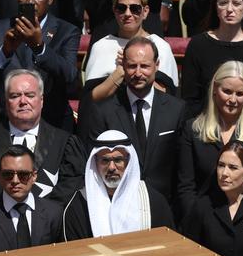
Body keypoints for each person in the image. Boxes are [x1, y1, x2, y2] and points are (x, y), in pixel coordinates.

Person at [79, 37, 185, 211]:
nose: (138, 73)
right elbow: (94, 168)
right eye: (131, 66)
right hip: (117, 207)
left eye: (144, 66)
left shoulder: (177, 109)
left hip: (165, 207)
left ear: (156, 65)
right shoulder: (104, 111)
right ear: (123, 67)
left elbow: (182, 169)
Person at [0, 0, 81, 133]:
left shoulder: (66, 31)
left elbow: (70, 77)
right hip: (4, 121)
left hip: (51, 121)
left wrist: (40, 48)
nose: (30, 1)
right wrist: (5, 52)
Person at [0, 69, 84, 208]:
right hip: (0, 224)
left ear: (42, 100)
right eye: (15, 96)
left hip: (52, 225)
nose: (23, 101)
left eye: (29, 95)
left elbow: (72, 186)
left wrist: (41, 214)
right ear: (5, 101)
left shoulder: (65, 144)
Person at [177, 60, 243, 218]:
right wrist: (196, 221)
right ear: (215, 90)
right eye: (227, 91)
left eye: (240, 94)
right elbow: (186, 187)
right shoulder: (192, 129)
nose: (233, 99)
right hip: (202, 220)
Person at [63, 130, 175, 241]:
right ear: (95, 163)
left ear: (129, 162)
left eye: (118, 160)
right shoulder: (78, 206)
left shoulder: (153, 202)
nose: (111, 167)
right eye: (105, 160)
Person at [82, 0, 178, 102]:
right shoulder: (101, 46)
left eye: (135, 9)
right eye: (121, 8)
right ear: (114, 11)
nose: (127, 14)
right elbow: (91, 99)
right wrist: (119, 73)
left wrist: (133, 71)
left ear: (145, 11)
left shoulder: (161, 46)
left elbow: (168, 99)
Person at [0, 144, 64, 253]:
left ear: (34, 176)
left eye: (23, 174)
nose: (15, 181)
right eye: (8, 174)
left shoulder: (55, 213)